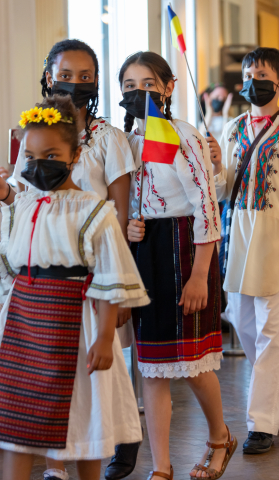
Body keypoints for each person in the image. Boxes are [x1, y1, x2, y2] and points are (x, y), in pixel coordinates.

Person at [0, 94, 149, 480]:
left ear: (75, 155)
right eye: (30, 158)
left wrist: (104, 337)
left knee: (85, 424)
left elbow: (110, 276)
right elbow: (12, 259)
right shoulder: (26, 205)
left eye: (50, 155)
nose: (38, 165)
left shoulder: (92, 209)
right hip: (24, 327)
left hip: (75, 327)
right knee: (19, 429)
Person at [120, 51, 237, 480]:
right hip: (147, 254)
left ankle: (219, 438)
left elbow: (206, 206)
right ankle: (162, 467)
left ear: (168, 88)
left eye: (148, 85)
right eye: (129, 87)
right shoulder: (128, 141)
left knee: (194, 365)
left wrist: (200, 274)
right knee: (152, 366)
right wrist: (133, 224)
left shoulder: (181, 135)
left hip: (187, 249)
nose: (139, 94)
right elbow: (134, 200)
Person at [206, 47, 279, 454]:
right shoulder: (233, 126)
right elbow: (221, 189)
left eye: (263, 75)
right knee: (245, 326)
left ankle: (261, 425)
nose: (254, 82)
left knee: (273, 335)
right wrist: (216, 164)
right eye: (249, 74)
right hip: (238, 242)